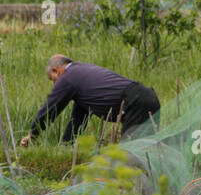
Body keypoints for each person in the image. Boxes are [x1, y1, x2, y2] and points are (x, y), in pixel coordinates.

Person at [19, 55, 161, 146]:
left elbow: (50, 108)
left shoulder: (68, 77)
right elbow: (78, 118)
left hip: (135, 103)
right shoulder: (80, 73)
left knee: (131, 153)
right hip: (147, 97)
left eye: (52, 79)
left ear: (56, 71)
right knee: (146, 149)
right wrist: (66, 145)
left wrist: (33, 133)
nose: (54, 85)